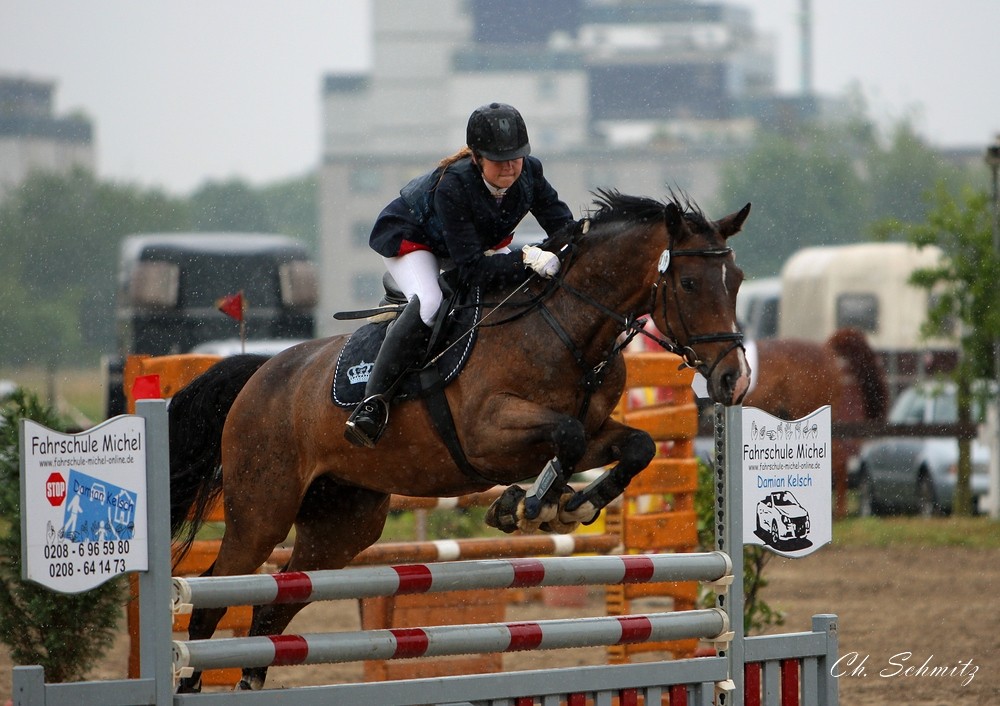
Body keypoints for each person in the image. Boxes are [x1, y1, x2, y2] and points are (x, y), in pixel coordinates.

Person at [345, 102, 576, 448]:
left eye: (516, 157)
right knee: (430, 303)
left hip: (468, 244)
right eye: (500, 160)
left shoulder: (531, 173)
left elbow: (564, 227)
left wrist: (579, 244)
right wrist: (528, 257)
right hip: (414, 239)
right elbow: (471, 270)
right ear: (477, 158)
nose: (511, 167)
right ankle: (372, 404)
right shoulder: (454, 185)